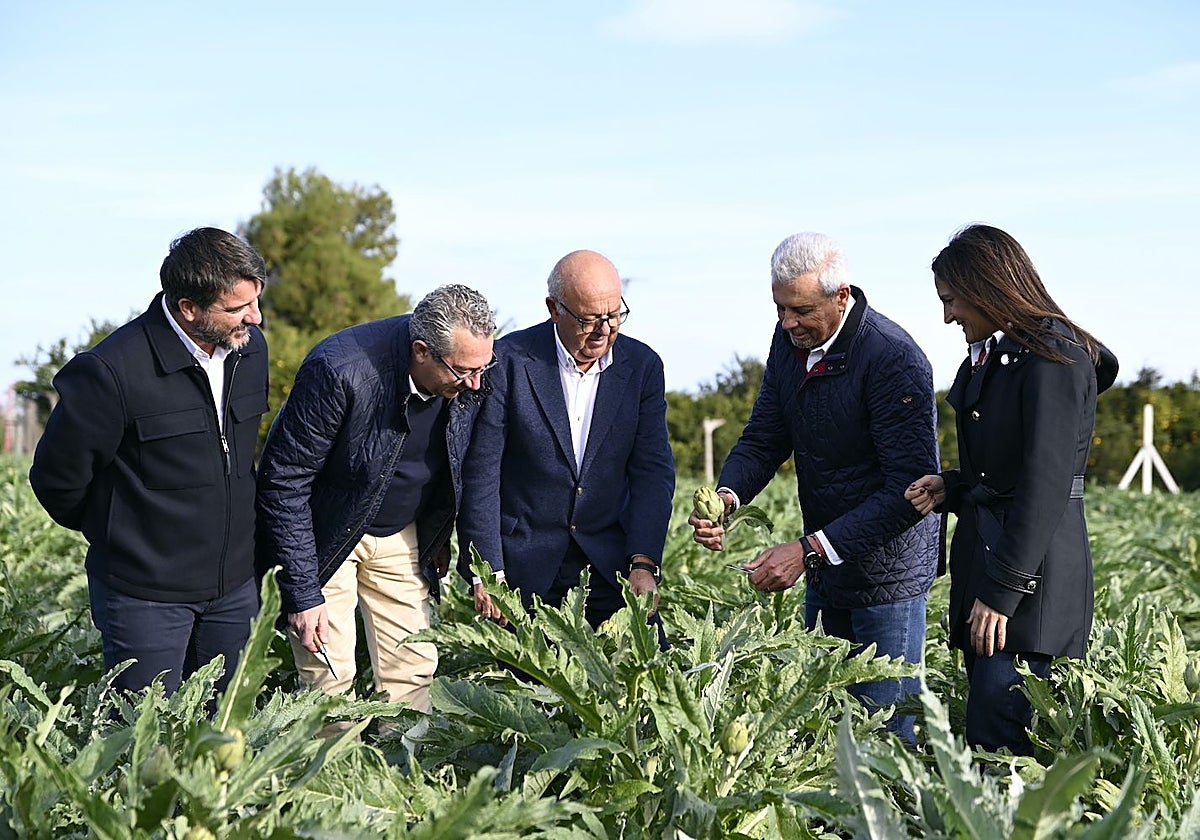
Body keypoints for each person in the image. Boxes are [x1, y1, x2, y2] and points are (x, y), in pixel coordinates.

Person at [689, 232, 939, 743]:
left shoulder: (893, 358)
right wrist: (727, 499)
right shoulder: (790, 343)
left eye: (800, 310)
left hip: (886, 578)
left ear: (841, 295)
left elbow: (909, 492)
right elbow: (764, 438)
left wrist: (808, 551)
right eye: (779, 308)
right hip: (828, 566)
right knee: (824, 729)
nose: (787, 322)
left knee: (885, 738)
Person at [905, 224, 1118, 754]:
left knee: (1004, 754)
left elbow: (1045, 486)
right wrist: (951, 487)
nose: (948, 316)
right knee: (988, 743)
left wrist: (1002, 592)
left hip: (1030, 588)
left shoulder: (1053, 358)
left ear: (985, 288)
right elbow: (1000, 473)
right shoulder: (999, 356)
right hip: (993, 571)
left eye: (951, 300)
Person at [29, 227, 269, 696]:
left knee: (226, 729)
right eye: (239, 307)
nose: (255, 317)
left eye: (256, 301)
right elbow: (57, 480)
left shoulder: (249, 350)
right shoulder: (112, 370)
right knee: (144, 731)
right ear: (189, 308)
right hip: (144, 600)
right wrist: (128, 537)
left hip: (235, 590)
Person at [255, 284, 495, 714]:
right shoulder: (339, 370)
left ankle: (405, 756)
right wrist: (303, 592)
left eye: (483, 367)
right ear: (421, 351)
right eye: (463, 372)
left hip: (402, 532)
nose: (476, 383)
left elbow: (460, 463)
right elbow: (284, 480)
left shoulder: (467, 373)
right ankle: (334, 758)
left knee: (414, 667)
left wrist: (438, 534)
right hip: (328, 534)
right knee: (328, 675)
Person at [457, 250, 674, 639]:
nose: (604, 331)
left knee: (642, 670)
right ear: (554, 309)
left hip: (611, 564)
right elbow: (482, 472)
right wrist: (487, 569)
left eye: (614, 315)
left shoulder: (642, 367)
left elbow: (652, 472)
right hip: (523, 568)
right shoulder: (508, 361)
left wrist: (644, 562)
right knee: (523, 678)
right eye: (589, 320)